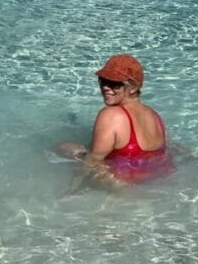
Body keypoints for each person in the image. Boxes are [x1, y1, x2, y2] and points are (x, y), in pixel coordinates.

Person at [58, 54, 175, 190]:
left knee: (61, 148)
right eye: (103, 80)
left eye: (114, 84)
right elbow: (168, 149)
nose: (105, 87)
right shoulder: (154, 115)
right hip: (156, 179)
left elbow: (94, 161)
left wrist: (72, 189)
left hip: (124, 186)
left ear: (133, 88)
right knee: (77, 148)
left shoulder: (111, 115)